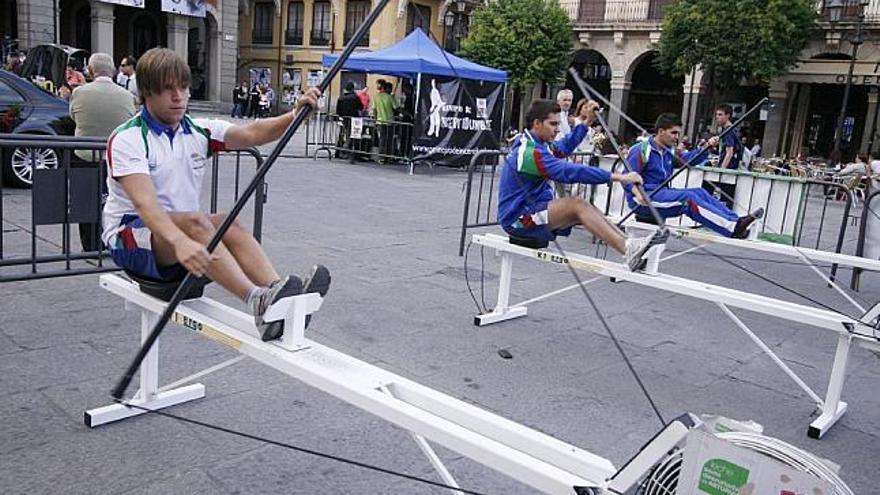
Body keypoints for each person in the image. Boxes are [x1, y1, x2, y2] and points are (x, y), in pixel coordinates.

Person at [102, 48, 329, 341]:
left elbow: (252, 133)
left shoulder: (199, 131)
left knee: (227, 222)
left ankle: (280, 297)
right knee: (198, 222)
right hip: (130, 237)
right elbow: (146, 205)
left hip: (180, 233)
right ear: (146, 92)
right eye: (167, 89)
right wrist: (179, 240)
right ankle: (256, 301)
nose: (178, 96)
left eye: (183, 87)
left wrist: (294, 114)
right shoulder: (128, 139)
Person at [498, 99, 666, 272]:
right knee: (576, 205)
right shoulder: (529, 152)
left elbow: (563, 148)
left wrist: (586, 123)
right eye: (553, 124)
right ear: (537, 123)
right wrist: (620, 177)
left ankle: (629, 246)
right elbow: (570, 172)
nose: (557, 129)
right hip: (518, 220)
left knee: (583, 208)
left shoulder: (539, 145)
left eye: (558, 123)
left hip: (529, 211)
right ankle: (629, 249)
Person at [624, 113, 763, 239]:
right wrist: (638, 192)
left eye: (678, 133)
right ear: (660, 132)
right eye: (673, 133)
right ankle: (732, 228)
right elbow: (626, 178)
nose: (677, 137)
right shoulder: (641, 150)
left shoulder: (669, 151)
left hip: (661, 193)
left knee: (699, 192)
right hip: (643, 199)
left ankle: (736, 221)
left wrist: (706, 148)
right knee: (687, 199)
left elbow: (688, 161)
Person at [69, 53, 138, 252]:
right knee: (114, 202)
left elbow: (73, 116)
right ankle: (113, 242)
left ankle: (90, 245)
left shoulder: (80, 92)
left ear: (90, 71)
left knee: (86, 202)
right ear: (114, 71)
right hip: (114, 158)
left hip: (84, 155)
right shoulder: (126, 96)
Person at [335, 82, 363, 162]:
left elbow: (338, 111)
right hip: (355, 119)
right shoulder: (355, 97)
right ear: (352, 89)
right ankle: (348, 151)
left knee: (345, 134)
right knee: (353, 136)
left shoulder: (341, 98)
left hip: (345, 119)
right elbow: (361, 107)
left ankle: (342, 150)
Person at [372, 80, 399, 163]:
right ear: (387, 88)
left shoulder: (376, 97)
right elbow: (396, 108)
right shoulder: (389, 97)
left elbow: (374, 110)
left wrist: (375, 120)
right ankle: (389, 157)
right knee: (389, 140)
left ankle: (381, 158)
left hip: (380, 122)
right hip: (389, 121)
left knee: (382, 140)